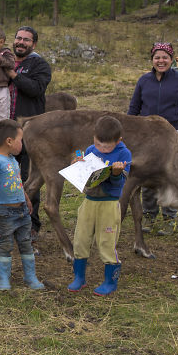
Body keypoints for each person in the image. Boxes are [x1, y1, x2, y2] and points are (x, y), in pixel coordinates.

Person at [128, 42, 178, 235]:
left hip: (172, 135)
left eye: (165, 57)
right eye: (157, 57)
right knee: (148, 176)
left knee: (170, 176)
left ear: (171, 59)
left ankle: (169, 218)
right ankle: (150, 216)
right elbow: (134, 109)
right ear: (152, 60)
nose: (161, 61)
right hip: (146, 137)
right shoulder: (144, 81)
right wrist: (130, 132)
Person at [67, 115, 132, 296]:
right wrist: (76, 164)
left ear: (118, 140)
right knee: (81, 238)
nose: (102, 149)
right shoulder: (89, 150)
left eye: (107, 147)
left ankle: (110, 281)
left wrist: (117, 173)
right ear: (93, 136)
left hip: (109, 204)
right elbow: (84, 171)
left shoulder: (124, 154)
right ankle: (79, 277)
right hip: (89, 202)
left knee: (106, 241)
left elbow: (120, 183)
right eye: (98, 144)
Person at [0, 26, 52, 240]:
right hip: (5, 129)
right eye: (18, 38)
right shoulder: (3, 60)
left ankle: (31, 223)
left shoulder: (39, 65)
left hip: (29, 131)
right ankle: (6, 220)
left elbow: (35, 89)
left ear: (34, 44)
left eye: (26, 40)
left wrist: (12, 74)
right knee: (4, 175)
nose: (21, 42)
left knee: (29, 177)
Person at [0, 119, 44, 291]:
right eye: (20, 140)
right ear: (9, 141)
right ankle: (4, 279)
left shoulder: (13, 161)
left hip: (22, 211)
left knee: (26, 243)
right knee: (5, 245)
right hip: (5, 212)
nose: (22, 144)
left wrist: (26, 198)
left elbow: (17, 182)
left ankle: (30, 277)